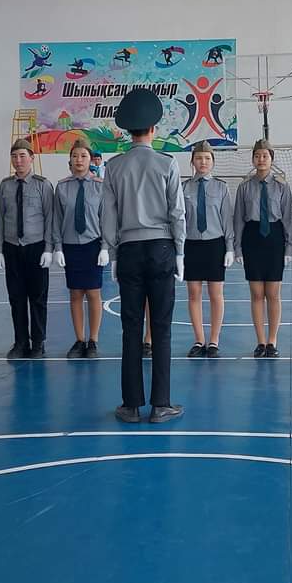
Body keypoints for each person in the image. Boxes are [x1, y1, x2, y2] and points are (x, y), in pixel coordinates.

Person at [102, 88, 186, 424]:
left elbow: (108, 215)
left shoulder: (114, 167)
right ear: (154, 129)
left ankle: (131, 405)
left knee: (131, 327)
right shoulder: (167, 163)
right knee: (161, 327)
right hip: (162, 248)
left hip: (129, 251)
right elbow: (177, 212)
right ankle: (161, 403)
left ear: (128, 131)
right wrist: (180, 251)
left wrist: (113, 252)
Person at [234, 139, 292, 357]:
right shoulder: (244, 187)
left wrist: (289, 248)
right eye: (257, 156)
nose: (261, 159)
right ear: (253, 159)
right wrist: (237, 248)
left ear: (271, 159)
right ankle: (260, 341)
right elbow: (238, 218)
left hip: (274, 238)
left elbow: (288, 218)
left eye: (265, 156)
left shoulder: (282, 186)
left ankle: (272, 341)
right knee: (257, 293)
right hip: (252, 238)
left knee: (273, 293)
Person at [0, 139, 54, 359]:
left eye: (22, 156)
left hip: (36, 247)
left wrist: (49, 248)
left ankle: (38, 342)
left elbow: (50, 218)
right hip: (12, 248)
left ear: (31, 158)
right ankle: (20, 342)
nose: (18, 161)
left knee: (38, 297)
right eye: (14, 156)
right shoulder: (5, 186)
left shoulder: (43, 185)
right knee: (16, 297)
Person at [53, 140, 109, 359]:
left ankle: (93, 340)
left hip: (93, 245)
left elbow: (106, 219)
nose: (79, 160)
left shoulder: (100, 186)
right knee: (75, 293)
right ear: (70, 160)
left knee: (94, 293)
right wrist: (58, 247)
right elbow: (57, 220)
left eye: (83, 156)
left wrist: (105, 247)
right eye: (75, 156)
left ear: (90, 160)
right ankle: (79, 340)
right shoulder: (62, 187)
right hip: (70, 245)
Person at [183, 140, 235, 358]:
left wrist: (229, 248)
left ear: (212, 162)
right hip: (192, 244)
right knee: (194, 293)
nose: (203, 162)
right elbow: (179, 220)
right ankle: (199, 339)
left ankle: (214, 340)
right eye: (198, 158)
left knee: (215, 293)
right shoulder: (184, 187)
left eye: (207, 158)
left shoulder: (221, 187)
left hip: (215, 244)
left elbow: (227, 219)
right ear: (192, 161)